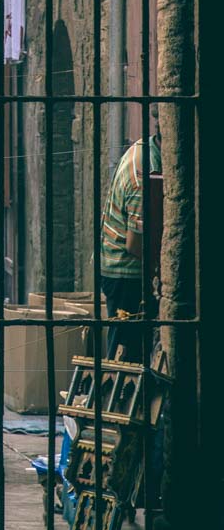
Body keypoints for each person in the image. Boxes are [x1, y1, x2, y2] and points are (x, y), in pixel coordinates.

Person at [100, 111, 162, 362]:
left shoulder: (143, 147)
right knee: (129, 349)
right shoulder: (144, 177)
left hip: (118, 268)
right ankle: (119, 395)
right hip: (126, 272)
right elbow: (135, 243)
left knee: (125, 340)